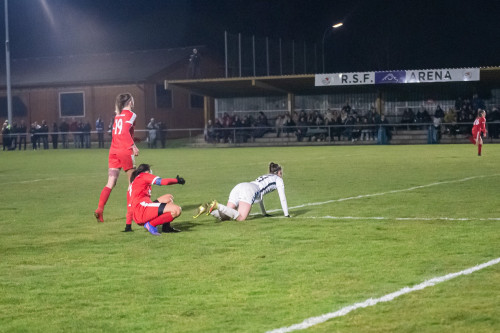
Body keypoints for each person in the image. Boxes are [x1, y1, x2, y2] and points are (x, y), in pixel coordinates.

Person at [94, 93, 140, 229]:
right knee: (132, 183)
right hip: (124, 151)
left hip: (113, 151)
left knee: (110, 182)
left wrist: (133, 140)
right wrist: (132, 145)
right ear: (130, 102)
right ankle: (131, 216)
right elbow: (125, 131)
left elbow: (117, 133)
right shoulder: (131, 114)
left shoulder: (118, 116)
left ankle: (100, 210)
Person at [194, 162, 290, 221]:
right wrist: (287, 215)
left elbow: (260, 197)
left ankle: (209, 208)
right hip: (248, 190)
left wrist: (264, 213)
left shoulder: (266, 176)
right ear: (279, 172)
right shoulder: (278, 180)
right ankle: (217, 205)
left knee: (226, 216)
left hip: (240, 186)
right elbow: (283, 198)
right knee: (241, 218)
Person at [127, 163, 185, 235]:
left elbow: (129, 205)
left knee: (168, 197)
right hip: (142, 210)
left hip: (139, 211)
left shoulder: (136, 181)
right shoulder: (143, 176)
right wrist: (177, 180)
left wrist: (128, 224)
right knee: (177, 210)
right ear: (147, 172)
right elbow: (163, 182)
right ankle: (151, 224)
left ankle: (166, 227)